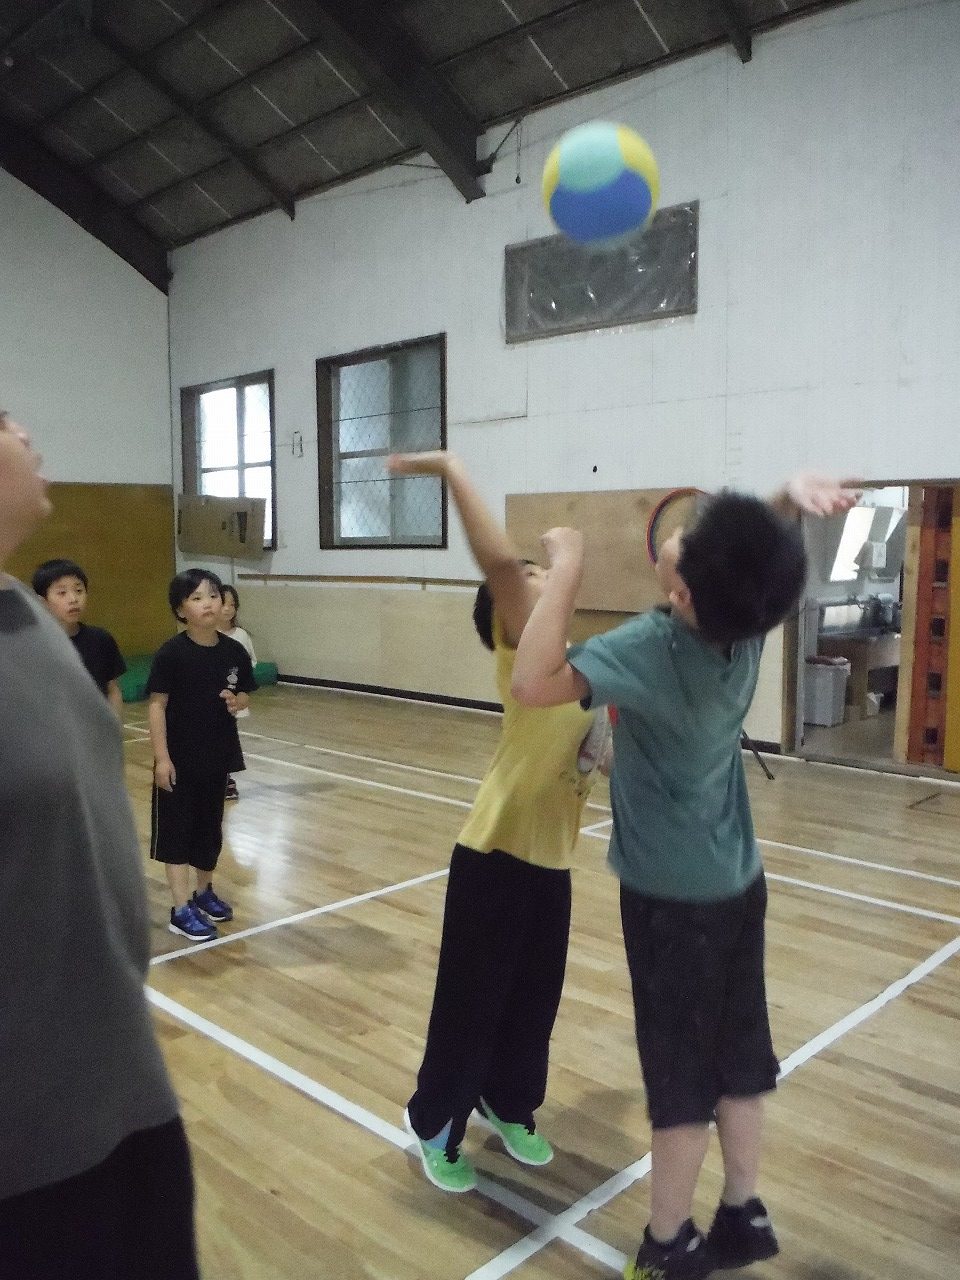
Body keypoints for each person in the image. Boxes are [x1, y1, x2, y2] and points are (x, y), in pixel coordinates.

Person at [511, 475, 859, 1279]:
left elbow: (533, 684)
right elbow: (755, 563)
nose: (686, 538)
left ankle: (668, 1245)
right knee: (741, 1062)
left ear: (681, 590)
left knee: (680, 1086)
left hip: (672, 905)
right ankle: (742, 1209)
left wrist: (565, 568)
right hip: (739, 882)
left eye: (692, 546)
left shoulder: (651, 648)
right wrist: (781, 500)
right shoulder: (754, 622)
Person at [0, 410, 199, 1278]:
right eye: (4, 422)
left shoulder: (24, 617)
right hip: (30, 1141)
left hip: (120, 1080)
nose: (25, 430)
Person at [388, 449, 608, 1194]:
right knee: (472, 1001)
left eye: (544, 578)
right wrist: (451, 472)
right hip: (493, 856)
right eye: (529, 585)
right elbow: (501, 567)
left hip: (550, 863)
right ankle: (434, 1123)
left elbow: (599, 758)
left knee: (533, 997)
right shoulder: (527, 651)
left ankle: (506, 1102)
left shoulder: (584, 671)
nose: (536, 583)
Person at [148, 568, 257, 942]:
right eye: (196, 598)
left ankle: (204, 891)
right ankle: (180, 909)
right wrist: (162, 758)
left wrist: (236, 700)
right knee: (176, 834)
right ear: (181, 611)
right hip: (179, 761)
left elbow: (245, 695)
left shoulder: (234, 651)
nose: (208, 603)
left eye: (212, 595)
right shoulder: (171, 654)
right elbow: (157, 706)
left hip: (217, 758)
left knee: (209, 829)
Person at [31, 557, 127, 717]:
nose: (73, 599)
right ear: (43, 602)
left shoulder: (101, 640)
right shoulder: (33, 645)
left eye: (79, 590)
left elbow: (112, 690)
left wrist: (114, 730)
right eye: (62, 593)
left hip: (95, 733)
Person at [218, 584, 256, 801]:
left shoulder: (240, 636)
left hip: (232, 697)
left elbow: (248, 666)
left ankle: (227, 778)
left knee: (227, 737)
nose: (228, 609)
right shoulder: (207, 636)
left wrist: (240, 692)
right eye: (224, 603)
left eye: (232, 604)